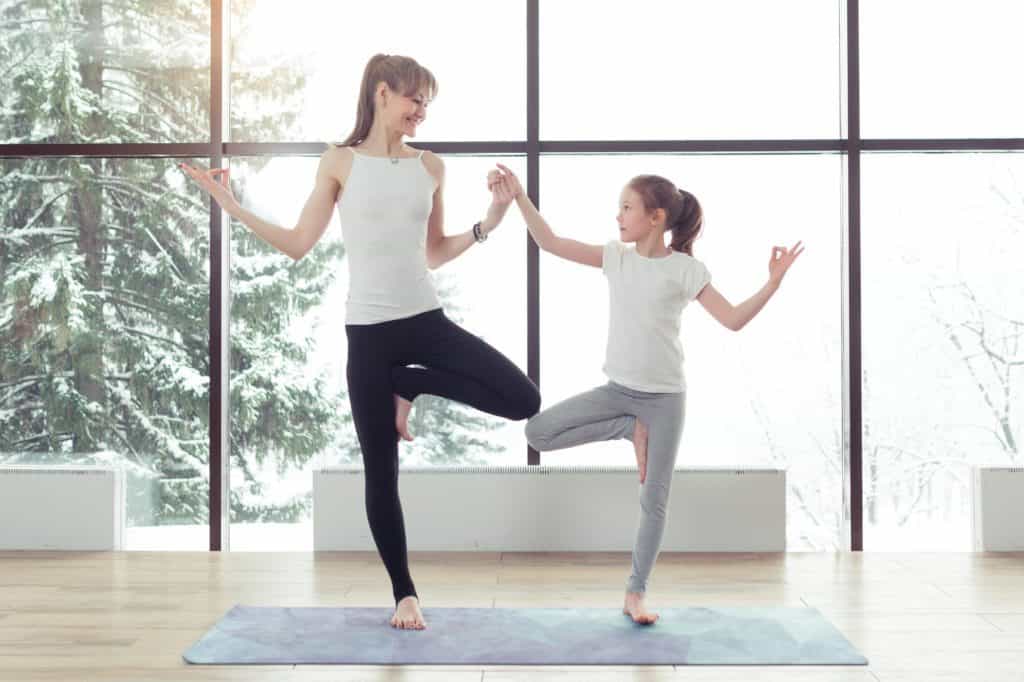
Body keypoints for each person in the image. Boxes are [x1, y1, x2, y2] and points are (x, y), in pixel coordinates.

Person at [181, 54, 540, 631]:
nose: (422, 110)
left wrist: (490, 220)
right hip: (368, 335)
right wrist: (231, 207)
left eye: (427, 102)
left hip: (426, 319)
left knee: (524, 399)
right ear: (381, 93)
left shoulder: (430, 167)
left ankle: (410, 385)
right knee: (381, 470)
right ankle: (405, 595)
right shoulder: (339, 162)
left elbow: (432, 253)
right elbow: (299, 242)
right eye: (414, 99)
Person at [492, 164, 802, 625]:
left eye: (626, 207)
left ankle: (635, 594)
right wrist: (518, 197)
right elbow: (551, 242)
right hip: (617, 394)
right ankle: (626, 430)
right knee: (538, 432)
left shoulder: (686, 270)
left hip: (664, 401)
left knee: (653, 499)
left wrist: (773, 282)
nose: (618, 216)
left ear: (655, 217)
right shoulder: (617, 257)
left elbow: (733, 319)